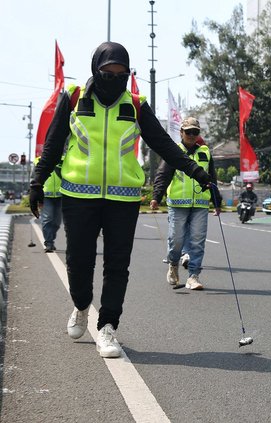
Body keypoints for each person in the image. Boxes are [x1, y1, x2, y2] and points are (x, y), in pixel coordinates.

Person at [29, 42, 211, 358]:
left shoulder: (136, 105)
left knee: (117, 265)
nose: (114, 78)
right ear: (95, 70)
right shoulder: (74, 98)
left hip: (123, 199)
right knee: (79, 261)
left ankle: (107, 328)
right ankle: (81, 305)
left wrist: (199, 173)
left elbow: (165, 146)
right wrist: (37, 182)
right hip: (78, 196)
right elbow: (54, 142)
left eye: (121, 73)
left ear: (128, 74)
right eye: (107, 73)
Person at [150, 117, 222, 290]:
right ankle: (173, 265)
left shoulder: (205, 151)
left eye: (195, 132)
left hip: (200, 204)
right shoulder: (173, 151)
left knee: (197, 240)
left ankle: (193, 276)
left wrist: (217, 201)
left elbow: (211, 178)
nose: (191, 135)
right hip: (177, 203)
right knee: (176, 240)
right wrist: (156, 197)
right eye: (188, 131)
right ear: (181, 132)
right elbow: (163, 175)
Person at [33, 156, 63, 253]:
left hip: (61, 194)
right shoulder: (38, 160)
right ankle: (48, 243)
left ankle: (51, 239)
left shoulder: (63, 159)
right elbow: (33, 177)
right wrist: (34, 192)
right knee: (47, 219)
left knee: (57, 222)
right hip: (46, 195)